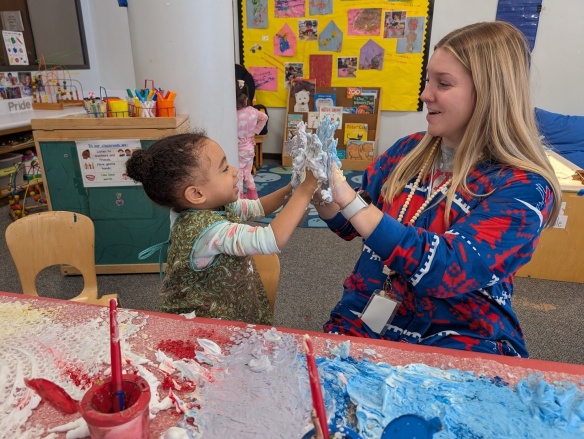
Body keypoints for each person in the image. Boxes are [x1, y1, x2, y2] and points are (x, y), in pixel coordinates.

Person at [312, 21, 561, 357]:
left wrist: (348, 200)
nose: (425, 94)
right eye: (429, 80)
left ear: (489, 93)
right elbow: (349, 223)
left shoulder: (522, 187)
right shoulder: (408, 151)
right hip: (369, 315)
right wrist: (322, 192)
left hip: (460, 335)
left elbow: (446, 269)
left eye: (442, 84)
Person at [125, 131, 318, 325]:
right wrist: (307, 187)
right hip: (205, 326)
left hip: (231, 305)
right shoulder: (207, 231)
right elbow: (272, 239)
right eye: (224, 168)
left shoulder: (212, 204)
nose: (234, 170)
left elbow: (256, 208)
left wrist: (290, 190)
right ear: (196, 193)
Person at [236, 80, 268, 199]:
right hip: (250, 146)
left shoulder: (233, 114)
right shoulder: (253, 111)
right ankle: (253, 195)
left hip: (239, 149)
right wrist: (255, 131)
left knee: (238, 174)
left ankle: (239, 197)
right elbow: (264, 117)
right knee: (248, 173)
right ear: (246, 99)